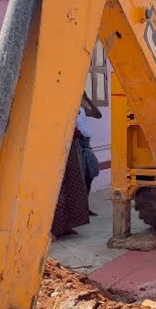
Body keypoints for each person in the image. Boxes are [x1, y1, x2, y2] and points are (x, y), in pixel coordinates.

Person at [51, 94, 103, 237]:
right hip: (77, 144)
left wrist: (88, 100)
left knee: (90, 173)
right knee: (79, 179)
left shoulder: (82, 109)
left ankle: (84, 207)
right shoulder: (69, 110)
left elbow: (98, 115)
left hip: (85, 143)